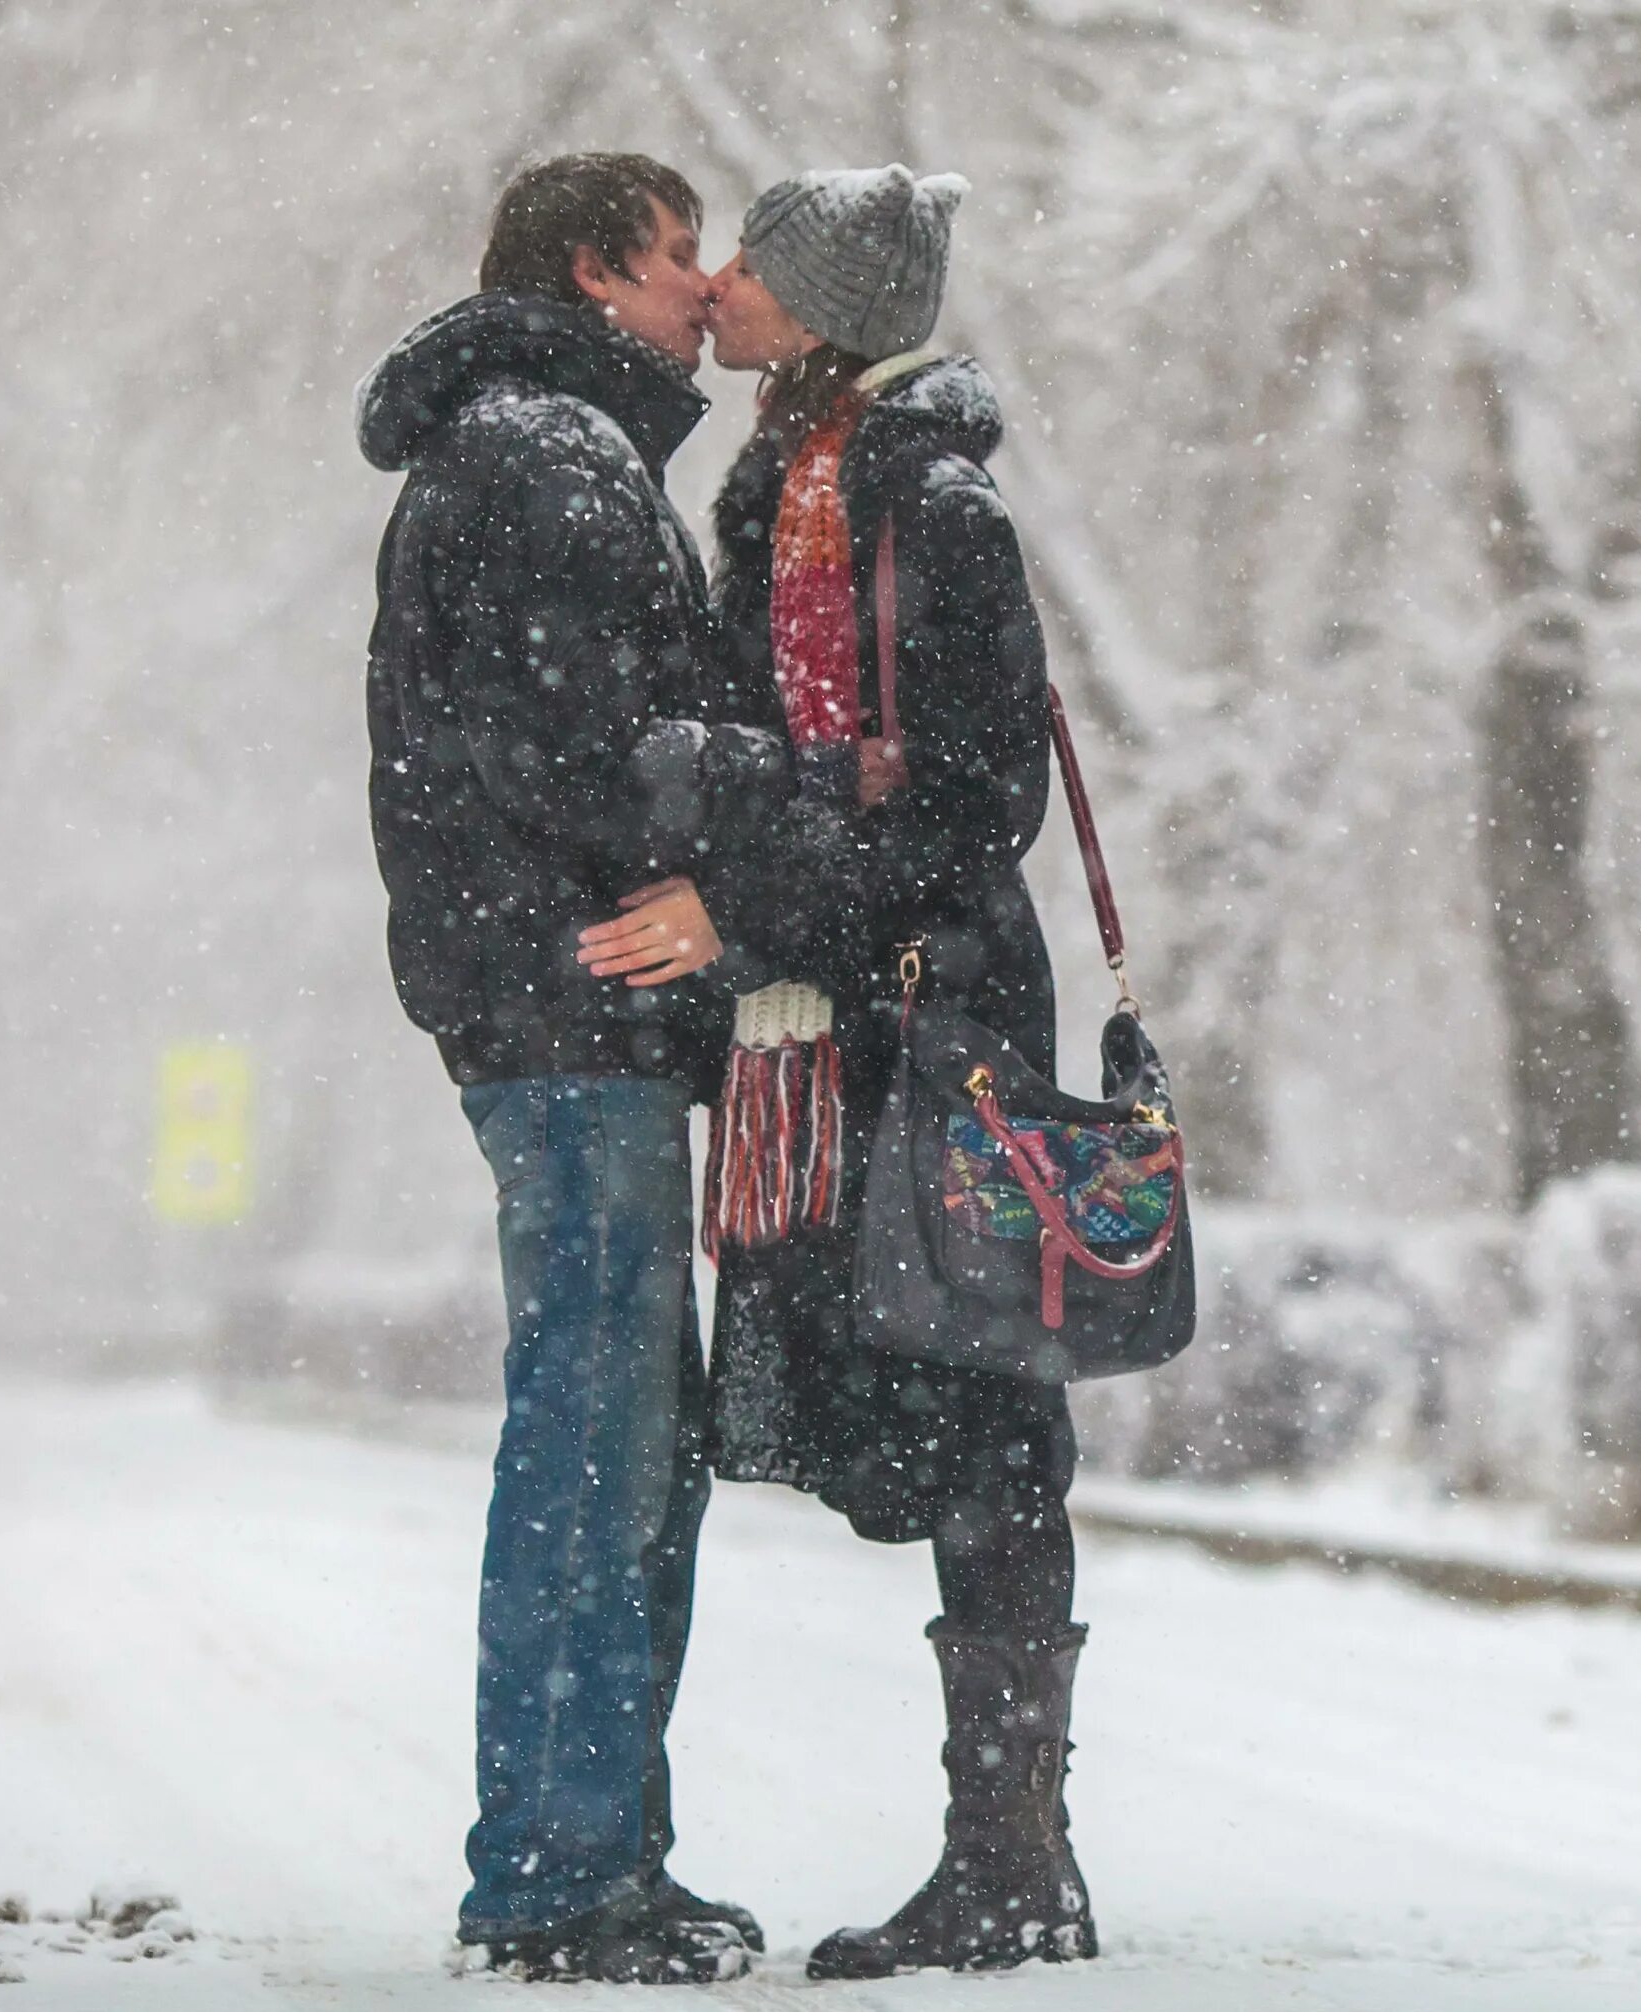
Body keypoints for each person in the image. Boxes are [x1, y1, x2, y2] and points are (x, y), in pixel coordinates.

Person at [591, 163, 1093, 1981]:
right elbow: (822, 765)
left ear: (820, 306)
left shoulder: (923, 507)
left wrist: (751, 877)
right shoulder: (795, 493)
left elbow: (976, 806)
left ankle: (1014, 1859)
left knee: (992, 1419)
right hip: (851, 1015)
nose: (714, 283)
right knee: (956, 1411)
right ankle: (1009, 1858)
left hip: (934, 1018)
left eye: (754, 262)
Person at [358, 152, 790, 1984]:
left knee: (625, 1445)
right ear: (602, 269)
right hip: (571, 1010)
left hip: (563, 1008)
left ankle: (600, 1851)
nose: (706, 292)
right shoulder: (545, 448)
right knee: (600, 1450)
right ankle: (554, 1879)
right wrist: (767, 808)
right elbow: (591, 743)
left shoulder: (554, 439)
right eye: (682, 255)